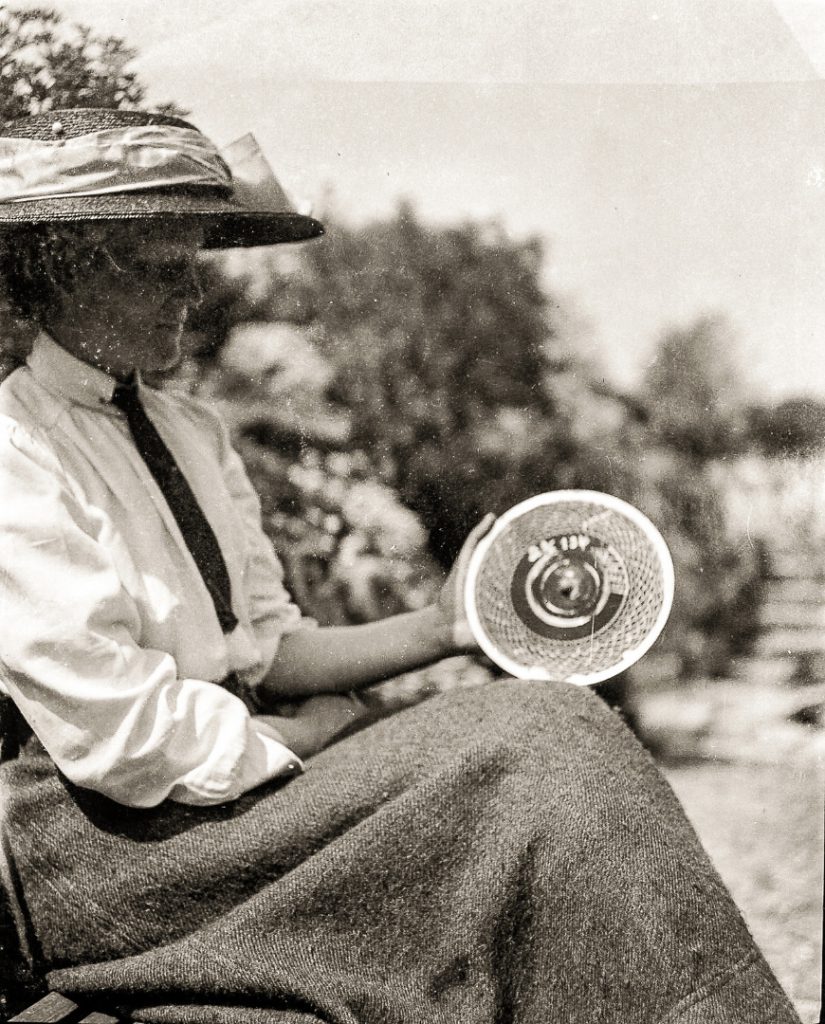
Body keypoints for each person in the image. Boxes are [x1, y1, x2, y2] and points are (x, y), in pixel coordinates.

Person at [0, 108, 801, 1024]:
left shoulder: (191, 432)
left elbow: (266, 649)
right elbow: (123, 736)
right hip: (110, 846)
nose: (191, 289)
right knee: (536, 748)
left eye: (194, 259)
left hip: (223, 792)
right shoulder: (14, 450)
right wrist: (307, 740)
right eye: (158, 265)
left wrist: (441, 629)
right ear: (58, 270)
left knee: (553, 723)